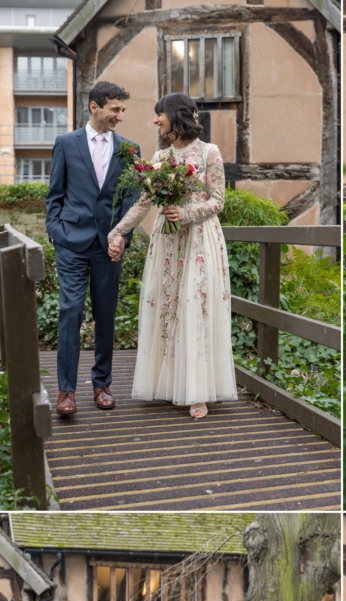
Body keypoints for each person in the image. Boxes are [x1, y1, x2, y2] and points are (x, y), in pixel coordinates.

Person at [108, 93, 237, 420]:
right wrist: (117, 231)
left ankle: (198, 392)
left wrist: (188, 212)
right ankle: (170, 384)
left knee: (196, 306)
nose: (155, 120)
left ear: (174, 115)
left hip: (199, 240)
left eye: (159, 114)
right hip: (167, 244)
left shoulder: (210, 153)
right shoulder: (160, 157)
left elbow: (218, 201)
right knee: (168, 307)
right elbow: (144, 203)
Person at [46, 81, 141, 418]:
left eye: (123, 110)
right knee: (70, 312)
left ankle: (102, 384)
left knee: (105, 316)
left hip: (108, 246)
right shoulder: (66, 144)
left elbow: (131, 200)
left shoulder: (130, 150)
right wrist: (56, 233)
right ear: (95, 107)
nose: (120, 116)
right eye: (115, 109)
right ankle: (66, 392)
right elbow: (54, 195)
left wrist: (123, 238)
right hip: (71, 242)